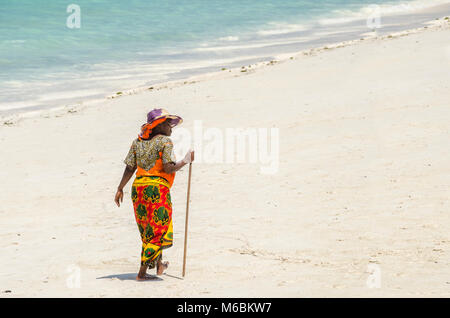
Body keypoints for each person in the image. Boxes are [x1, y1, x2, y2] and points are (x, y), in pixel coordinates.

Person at [114, 108, 194, 281]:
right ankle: (142, 273)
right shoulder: (165, 142)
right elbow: (168, 167)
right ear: (159, 125)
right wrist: (185, 161)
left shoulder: (137, 142)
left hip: (138, 189)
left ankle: (159, 265)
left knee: (147, 229)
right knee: (157, 229)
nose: (171, 128)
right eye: (167, 123)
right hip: (157, 189)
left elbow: (130, 167)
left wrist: (120, 188)